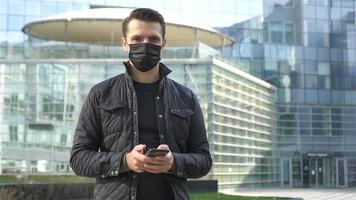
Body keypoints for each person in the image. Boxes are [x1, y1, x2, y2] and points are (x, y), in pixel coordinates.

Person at [70, 8, 212, 200]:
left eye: (153, 39)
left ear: (163, 44)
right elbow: (78, 159)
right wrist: (124, 161)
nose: (145, 45)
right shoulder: (101, 94)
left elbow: (203, 160)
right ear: (124, 43)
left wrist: (174, 162)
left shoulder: (186, 97)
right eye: (137, 38)